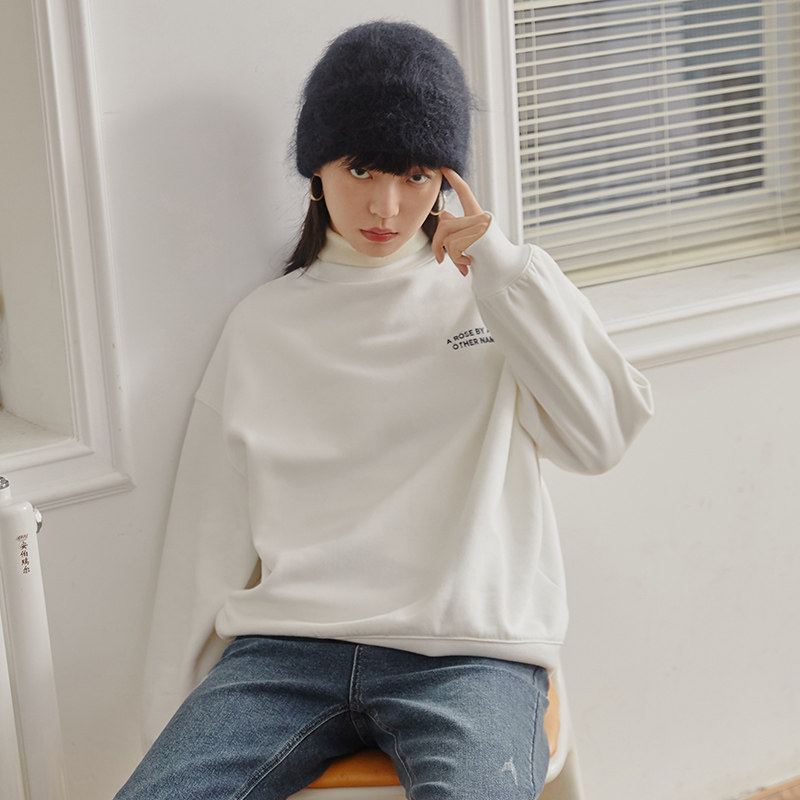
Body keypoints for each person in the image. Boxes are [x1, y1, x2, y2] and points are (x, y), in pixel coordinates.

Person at [114, 20, 653, 800]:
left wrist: (503, 269)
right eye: (361, 168)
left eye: (416, 174)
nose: (387, 204)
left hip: (468, 655)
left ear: (446, 180)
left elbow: (599, 437)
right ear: (316, 168)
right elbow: (206, 537)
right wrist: (170, 731)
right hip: (286, 654)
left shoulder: (494, 298)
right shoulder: (262, 326)